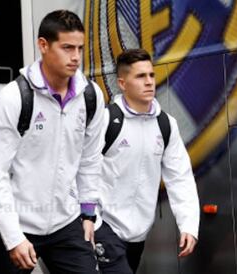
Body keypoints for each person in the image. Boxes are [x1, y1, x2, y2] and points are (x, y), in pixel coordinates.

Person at [0, 9, 104, 274]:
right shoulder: (14, 97)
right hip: (16, 221)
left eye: (80, 48)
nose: (75, 57)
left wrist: (88, 213)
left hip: (66, 222)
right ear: (43, 45)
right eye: (67, 47)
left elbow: (91, 158)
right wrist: (13, 237)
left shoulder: (91, 97)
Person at [95, 49, 200, 274]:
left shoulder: (166, 124)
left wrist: (189, 225)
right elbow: (81, 171)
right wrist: (90, 220)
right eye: (140, 77)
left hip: (138, 234)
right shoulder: (106, 121)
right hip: (104, 228)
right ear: (122, 83)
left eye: (151, 75)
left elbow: (180, 177)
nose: (149, 82)